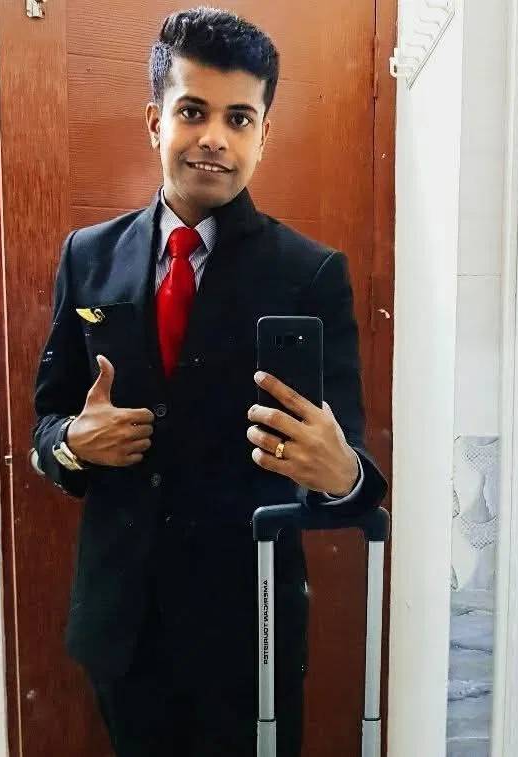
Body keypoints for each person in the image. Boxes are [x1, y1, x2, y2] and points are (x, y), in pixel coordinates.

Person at [31, 7, 387, 756]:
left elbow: (352, 474)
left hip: (249, 628)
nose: (215, 138)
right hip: (123, 624)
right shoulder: (87, 256)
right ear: (154, 121)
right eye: (193, 111)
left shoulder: (309, 273)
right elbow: (47, 425)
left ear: (264, 134)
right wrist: (72, 443)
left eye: (239, 117)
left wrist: (341, 474)